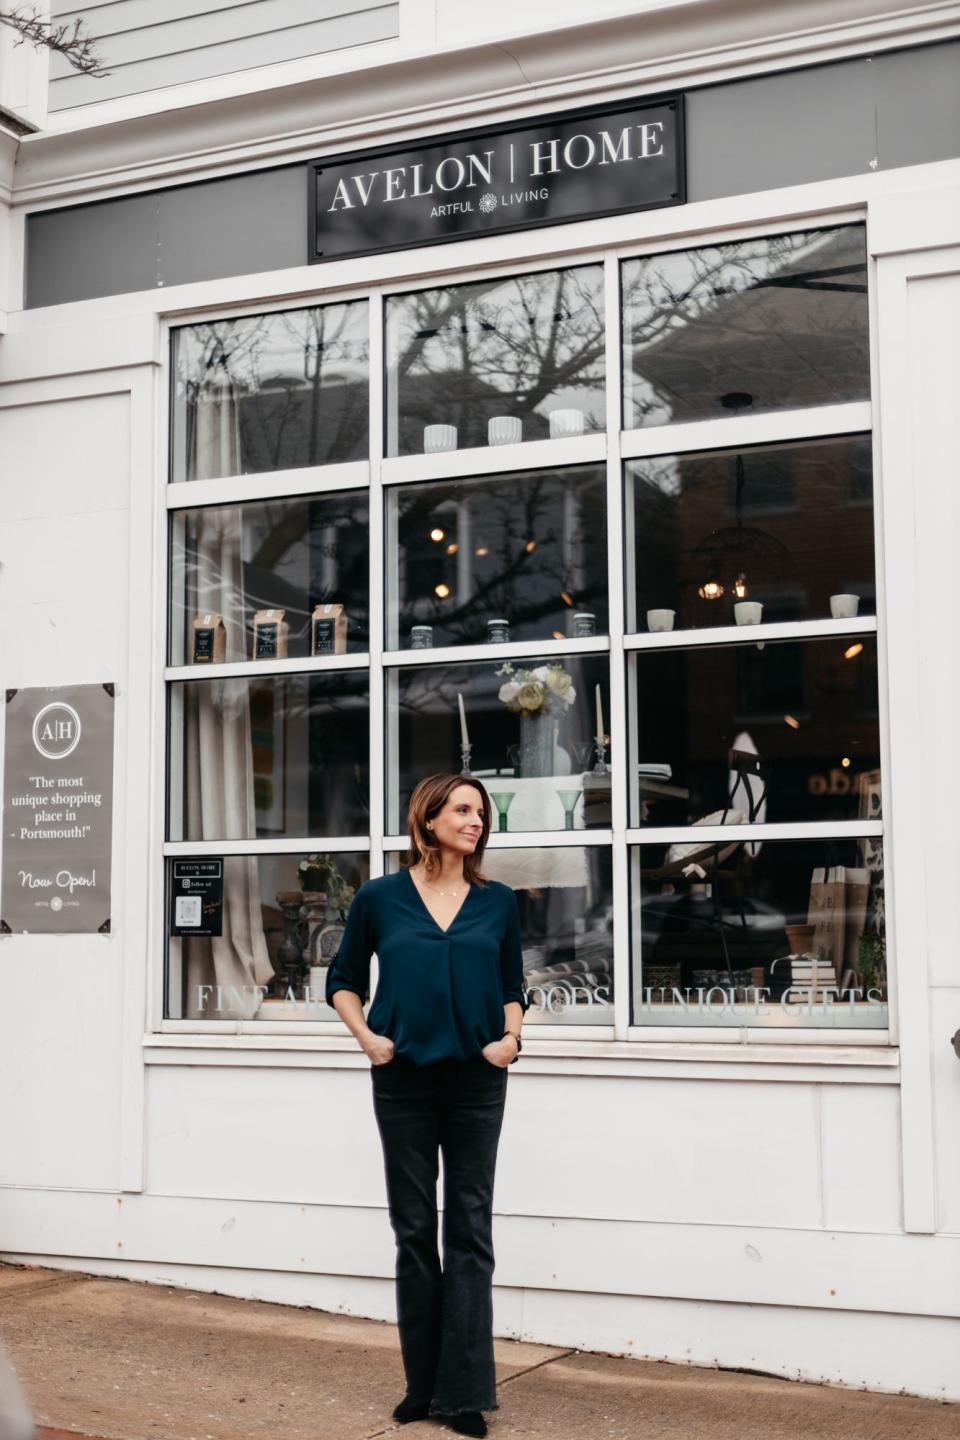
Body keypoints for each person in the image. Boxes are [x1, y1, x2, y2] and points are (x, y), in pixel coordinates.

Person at [326, 772, 528, 1437]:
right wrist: (367, 1039)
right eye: (463, 809)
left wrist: (510, 1040)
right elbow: (344, 980)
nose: (476, 821)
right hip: (404, 1078)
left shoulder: (496, 903)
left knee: (469, 1231)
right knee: (414, 1230)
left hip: (476, 1081)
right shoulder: (381, 898)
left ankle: (464, 1394)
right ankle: (422, 1386)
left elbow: (512, 985)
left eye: (480, 813)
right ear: (429, 818)